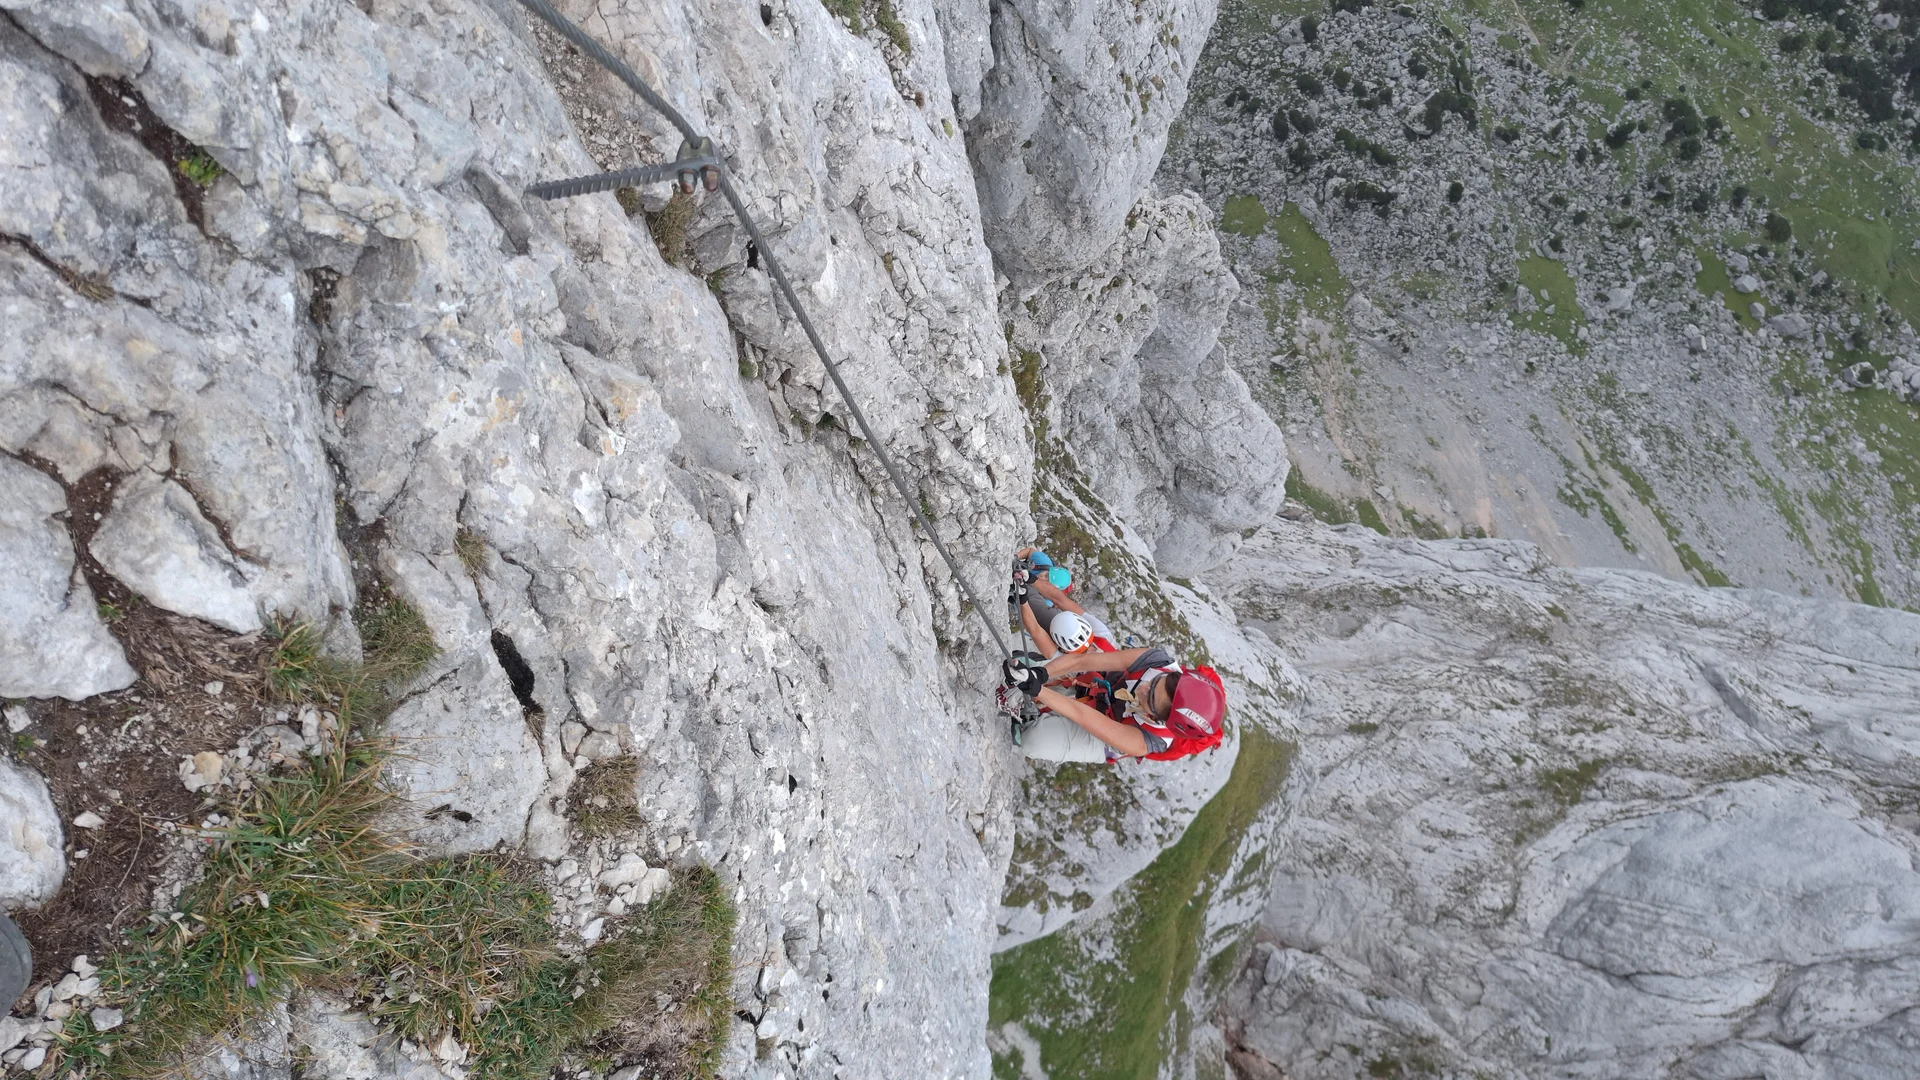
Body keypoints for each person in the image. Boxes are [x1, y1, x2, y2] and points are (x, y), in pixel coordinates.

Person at [1003, 643, 1227, 764]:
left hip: (1105, 737)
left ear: (1156, 719)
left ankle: (1026, 725)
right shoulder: (1157, 661)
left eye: (1150, 698)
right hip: (1108, 686)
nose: (1144, 687)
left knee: (1035, 741)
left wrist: (1038, 690)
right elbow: (1083, 660)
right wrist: (1040, 674)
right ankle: (1039, 665)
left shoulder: (1148, 741)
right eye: (1156, 682)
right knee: (1049, 664)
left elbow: (1084, 717)